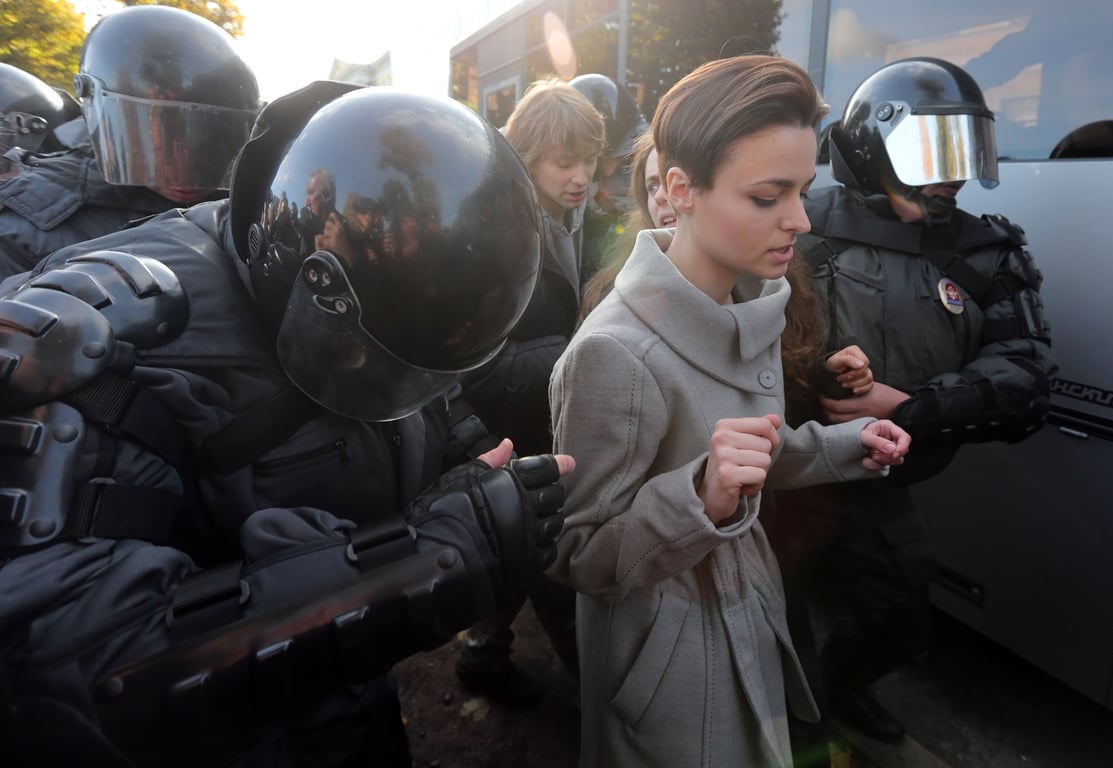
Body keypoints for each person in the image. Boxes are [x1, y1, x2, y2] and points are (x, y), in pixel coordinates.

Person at [0, 81, 572, 768]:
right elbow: (74, 675)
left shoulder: (383, 290)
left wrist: (470, 457)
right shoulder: (97, 331)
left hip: (345, 707)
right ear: (319, 278)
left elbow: (418, 391)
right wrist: (433, 559)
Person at [548, 54, 911, 768]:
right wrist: (699, 499)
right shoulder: (614, 354)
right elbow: (575, 555)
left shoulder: (745, 304)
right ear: (678, 190)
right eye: (767, 196)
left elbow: (754, 455)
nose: (799, 220)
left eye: (802, 191)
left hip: (749, 616)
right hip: (664, 669)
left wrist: (847, 444)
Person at [772, 57, 1055, 746]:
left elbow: (1025, 383)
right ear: (872, 152)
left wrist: (907, 406)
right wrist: (809, 371)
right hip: (784, 472)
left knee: (901, 623)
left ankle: (832, 690)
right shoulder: (800, 222)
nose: (948, 174)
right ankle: (789, 719)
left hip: (877, 481)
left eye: (962, 150)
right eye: (930, 150)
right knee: (765, 622)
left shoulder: (985, 251)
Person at [455, 77, 606, 706]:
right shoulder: (494, 239)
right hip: (513, 435)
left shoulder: (594, 224)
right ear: (525, 156)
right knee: (551, 572)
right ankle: (603, 705)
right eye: (563, 161)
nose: (579, 176)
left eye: (589, 160)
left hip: (564, 423)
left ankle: (480, 653)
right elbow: (478, 366)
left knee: (515, 562)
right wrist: (579, 353)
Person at [0, 5, 261, 280]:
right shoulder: (22, 230)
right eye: (165, 129)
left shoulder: (250, 206)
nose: (186, 163)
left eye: (212, 138)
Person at [569, 73, 650, 266]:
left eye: (624, 162)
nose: (609, 171)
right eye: (595, 161)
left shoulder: (647, 166)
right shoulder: (570, 196)